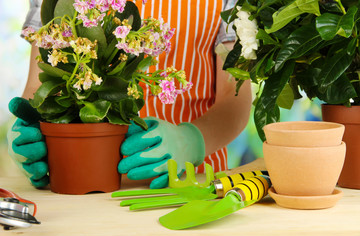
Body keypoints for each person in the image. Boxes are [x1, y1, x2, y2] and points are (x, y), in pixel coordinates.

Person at [7, 0, 252, 189]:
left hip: (191, 184)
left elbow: (235, 93)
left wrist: (192, 141)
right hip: (78, 188)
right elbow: (38, 86)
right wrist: (28, 133)